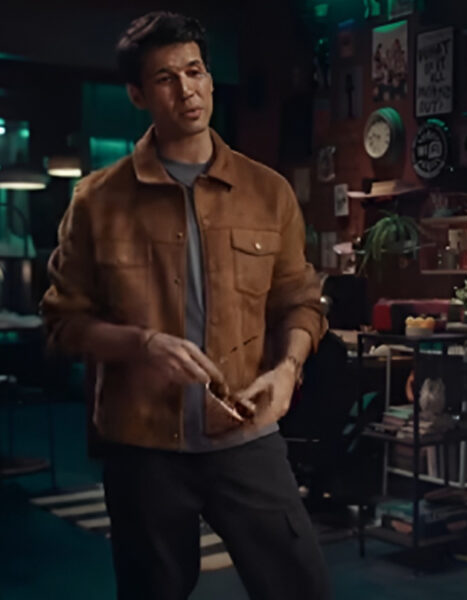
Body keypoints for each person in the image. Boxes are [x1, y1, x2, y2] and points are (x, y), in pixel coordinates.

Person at [40, 12, 330, 600]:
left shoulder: (268, 192)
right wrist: (141, 344)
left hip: (245, 435)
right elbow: (62, 322)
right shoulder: (96, 201)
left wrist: (287, 369)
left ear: (211, 79)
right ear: (138, 95)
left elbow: (300, 302)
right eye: (165, 79)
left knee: (301, 587)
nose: (186, 90)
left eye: (195, 72)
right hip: (143, 447)